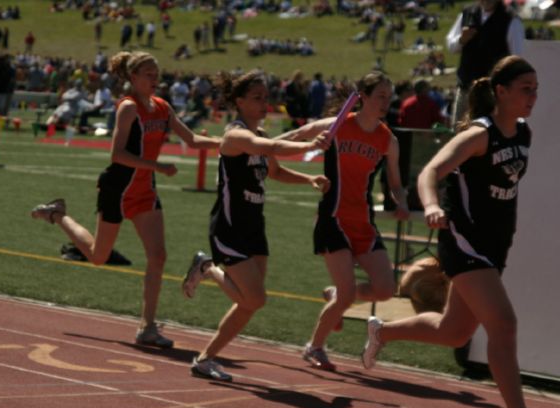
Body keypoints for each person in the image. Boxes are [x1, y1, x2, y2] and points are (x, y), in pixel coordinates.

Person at [360, 56, 560, 408]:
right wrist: (432, 206)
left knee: (454, 331)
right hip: (464, 241)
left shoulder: (523, 134)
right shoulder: (478, 134)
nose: (534, 97)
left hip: (495, 245)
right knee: (503, 325)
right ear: (501, 92)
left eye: (536, 89)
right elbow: (429, 172)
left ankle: (381, 331)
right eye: (526, 89)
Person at [31, 51, 220, 349]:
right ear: (133, 78)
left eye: (157, 75)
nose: (155, 80)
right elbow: (117, 154)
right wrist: (158, 166)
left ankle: (147, 327)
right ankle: (58, 215)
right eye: (149, 74)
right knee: (98, 256)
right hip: (118, 189)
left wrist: (232, 145)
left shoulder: (162, 107)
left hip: (145, 190)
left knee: (158, 256)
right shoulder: (129, 109)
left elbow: (193, 140)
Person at [181, 70, 330, 381]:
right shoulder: (235, 136)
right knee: (255, 298)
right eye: (257, 98)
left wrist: (308, 179)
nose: (265, 103)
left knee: (249, 303)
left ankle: (205, 359)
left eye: (266, 97)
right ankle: (208, 268)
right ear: (239, 101)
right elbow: (272, 149)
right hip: (230, 227)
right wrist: (310, 145)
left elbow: (274, 170)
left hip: (254, 227)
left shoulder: (260, 136)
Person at [277, 72, 410, 371]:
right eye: (380, 97)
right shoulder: (339, 126)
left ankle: (335, 296)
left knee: (386, 289)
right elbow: (300, 134)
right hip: (332, 218)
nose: (385, 103)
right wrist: (263, 146)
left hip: (363, 222)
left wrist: (401, 201)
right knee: (349, 293)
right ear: (362, 96)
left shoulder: (388, 140)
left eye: (389, 98)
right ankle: (315, 346)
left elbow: (395, 183)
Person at [446, 0, 524, 127]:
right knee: (459, 131)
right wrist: (462, 39)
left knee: (487, 133)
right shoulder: (468, 13)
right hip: (465, 88)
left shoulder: (510, 19)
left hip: (492, 94)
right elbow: (451, 46)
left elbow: (517, 57)